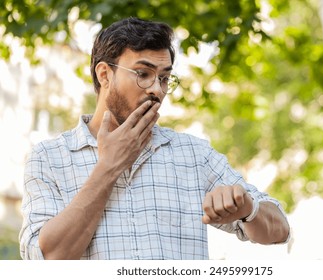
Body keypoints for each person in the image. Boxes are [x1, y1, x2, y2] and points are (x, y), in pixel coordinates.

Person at [19, 17, 290, 260]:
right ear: (105, 75)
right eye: (143, 74)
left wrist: (247, 208)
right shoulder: (49, 158)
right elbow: (47, 259)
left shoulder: (194, 155)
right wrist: (108, 167)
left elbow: (281, 229)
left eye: (164, 78)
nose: (157, 90)